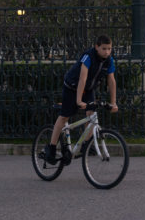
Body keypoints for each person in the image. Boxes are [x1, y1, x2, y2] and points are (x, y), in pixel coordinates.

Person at [44, 35, 118, 163]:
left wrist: (113, 103)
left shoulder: (109, 60)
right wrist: (78, 100)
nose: (107, 52)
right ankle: (51, 147)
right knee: (64, 117)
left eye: (109, 48)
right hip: (72, 87)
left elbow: (111, 81)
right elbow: (82, 78)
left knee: (91, 114)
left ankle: (85, 145)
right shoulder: (88, 57)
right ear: (96, 47)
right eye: (104, 48)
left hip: (88, 89)